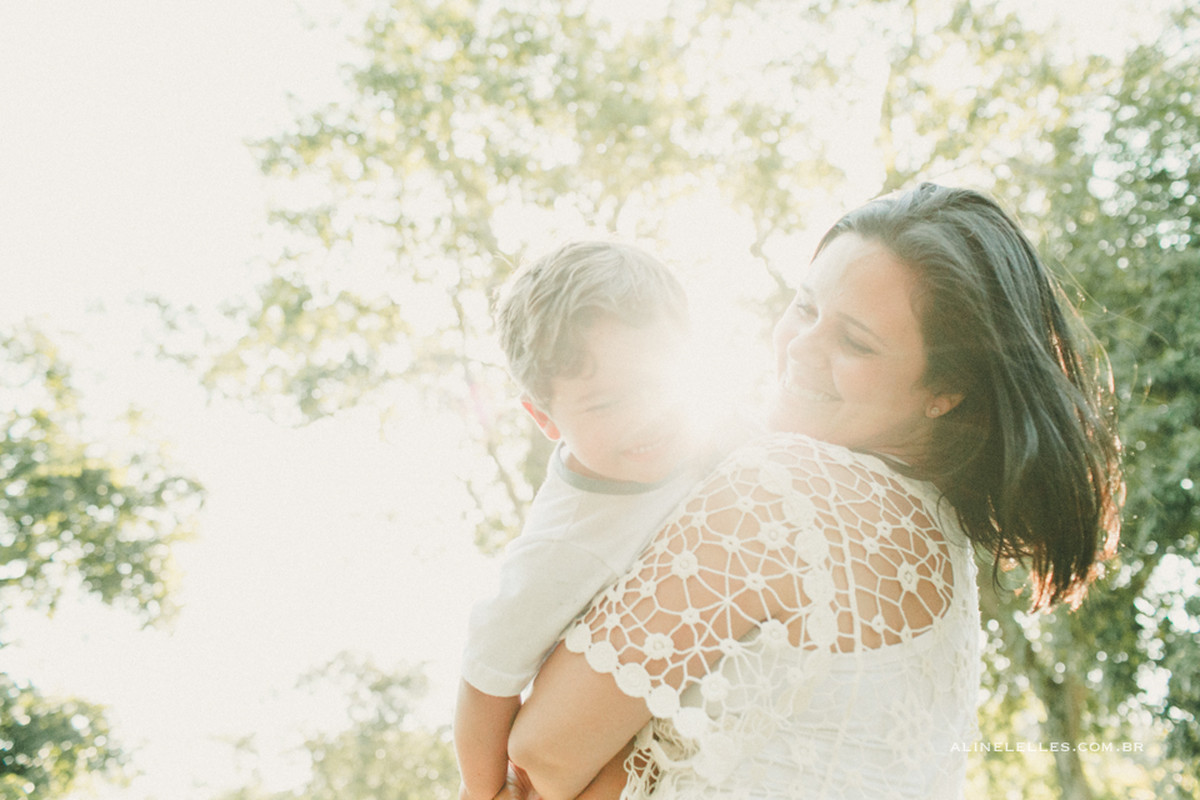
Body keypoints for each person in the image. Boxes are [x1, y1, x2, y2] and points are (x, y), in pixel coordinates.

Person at [505, 183, 1124, 799]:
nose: (801, 347)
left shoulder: (787, 491)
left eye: (854, 342)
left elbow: (542, 756)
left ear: (947, 389)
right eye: (804, 307)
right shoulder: (944, 553)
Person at [454, 241, 733, 800]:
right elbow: (486, 678)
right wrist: (481, 792)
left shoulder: (718, 431)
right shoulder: (565, 545)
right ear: (544, 418)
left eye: (659, 382)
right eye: (606, 405)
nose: (647, 416)